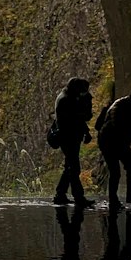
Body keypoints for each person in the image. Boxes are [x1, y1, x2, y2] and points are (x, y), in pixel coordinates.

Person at [98, 85, 131, 210]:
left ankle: (127, 196)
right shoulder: (124, 106)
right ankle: (115, 199)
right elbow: (119, 125)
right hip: (111, 141)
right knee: (117, 170)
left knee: (128, 168)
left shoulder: (126, 104)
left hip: (112, 140)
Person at [51, 76, 96, 208]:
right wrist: (86, 131)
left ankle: (60, 194)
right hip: (68, 137)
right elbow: (78, 118)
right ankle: (78, 197)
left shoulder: (66, 97)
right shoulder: (67, 100)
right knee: (74, 168)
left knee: (69, 167)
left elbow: (78, 118)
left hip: (68, 136)